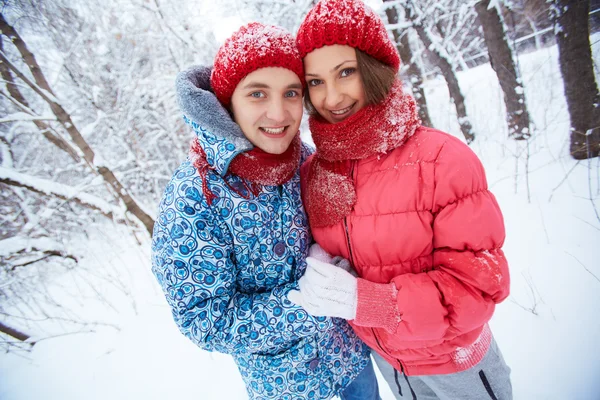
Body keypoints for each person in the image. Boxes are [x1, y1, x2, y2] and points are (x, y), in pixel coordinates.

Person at [287, 1, 513, 399]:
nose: (333, 96)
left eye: (345, 72)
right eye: (316, 82)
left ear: (374, 69)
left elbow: (478, 289)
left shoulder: (443, 160)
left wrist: (368, 301)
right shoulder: (314, 175)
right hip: (390, 365)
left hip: (456, 366)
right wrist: (323, 259)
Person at [151, 22, 380, 400]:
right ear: (227, 102)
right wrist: (306, 304)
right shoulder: (194, 197)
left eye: (291, 93)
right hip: (288, 384)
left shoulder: (306, 158)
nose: (278, 113)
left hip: (351, 357)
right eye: (258, 94)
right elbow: (204, 319)